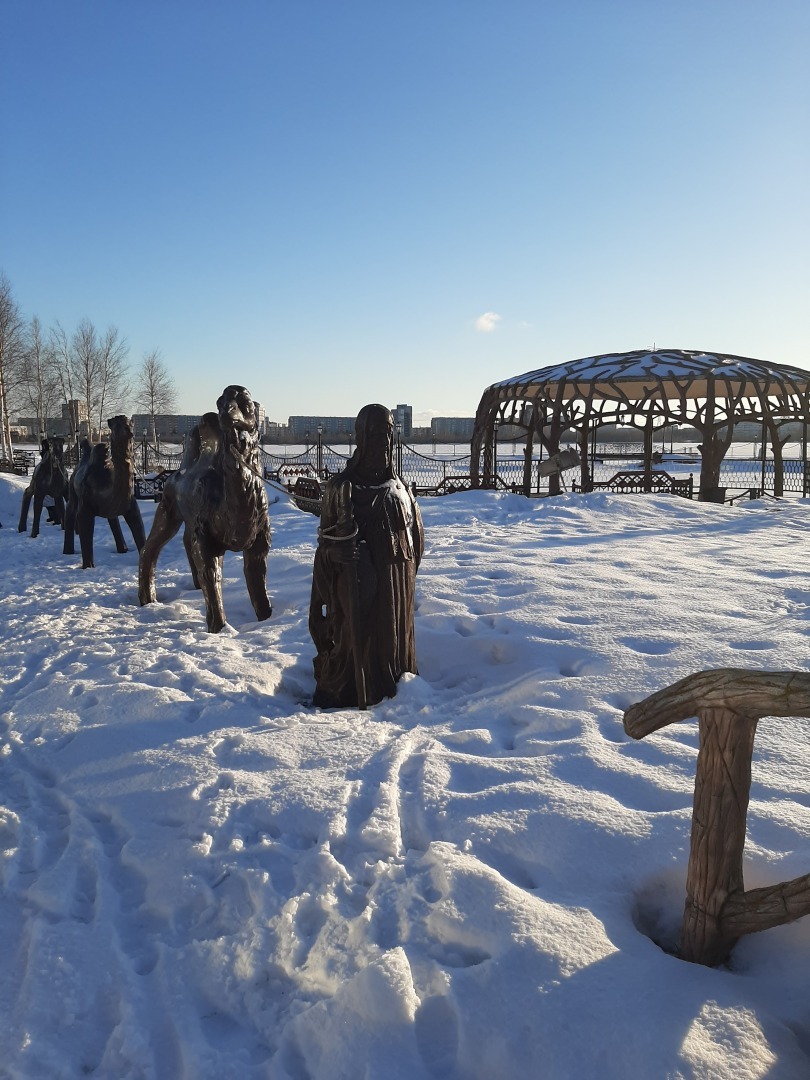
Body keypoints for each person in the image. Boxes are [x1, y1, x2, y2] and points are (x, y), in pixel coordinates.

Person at [309, 404, 424, 708]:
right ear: (361, 438)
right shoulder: (340, 489)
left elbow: (418, 546)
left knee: (393, 648)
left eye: (387, 434)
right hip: (360, 608)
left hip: (397, 601)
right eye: (374, 435)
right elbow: (325, 551)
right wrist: (339, 554)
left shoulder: (401, 490)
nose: (382, 443)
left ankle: (399, 678)